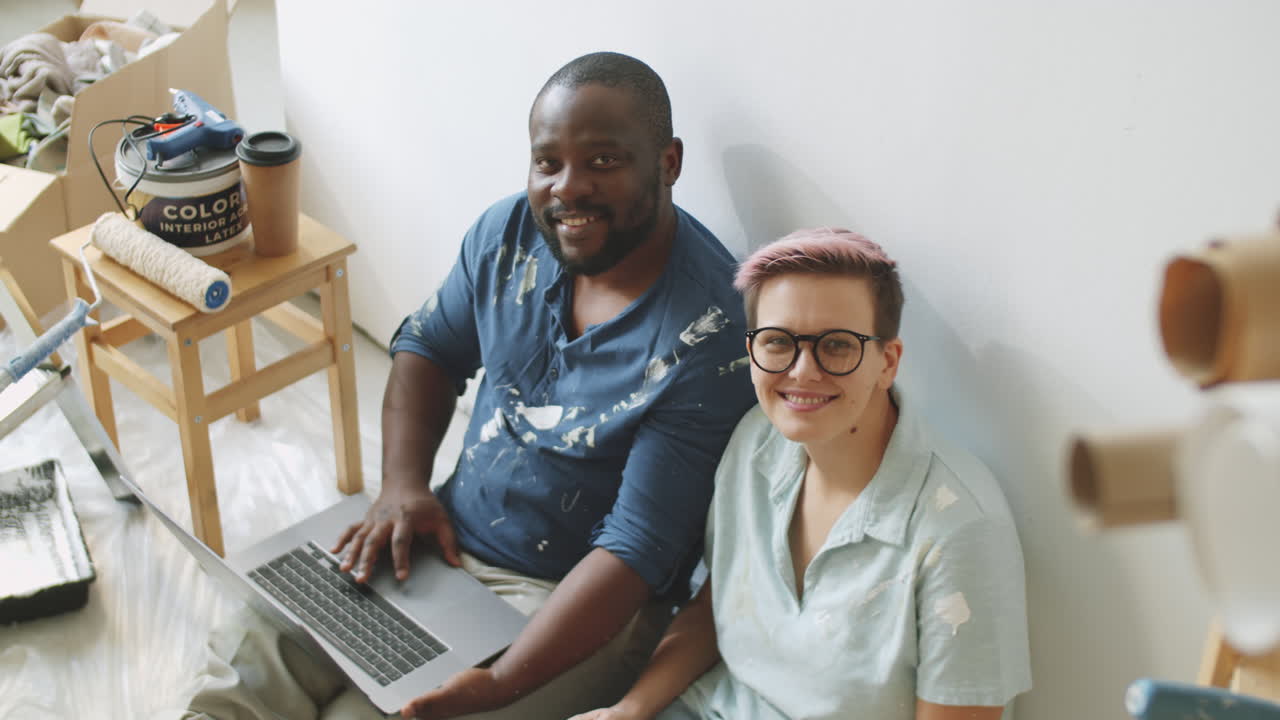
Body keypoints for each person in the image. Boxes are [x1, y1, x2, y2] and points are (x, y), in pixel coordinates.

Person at [183, 52, 754, 720]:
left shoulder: (712, 335)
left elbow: (632, 553)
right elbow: (428, 347)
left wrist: (502, 682)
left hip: (572, 601)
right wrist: (403, 488)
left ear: (668, 163)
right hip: (448, 530)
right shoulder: (511, 233)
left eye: (604, 161)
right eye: (549, 162)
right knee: (261, 633)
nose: (568, 188)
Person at [569, 228, 1032, 720]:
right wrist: (628, 711)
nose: (803, 371)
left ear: (887, 362)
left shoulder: (961, 529)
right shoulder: (754, 440)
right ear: (751, 351)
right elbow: (713, 609)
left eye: (836, 345)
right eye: (777, 342)